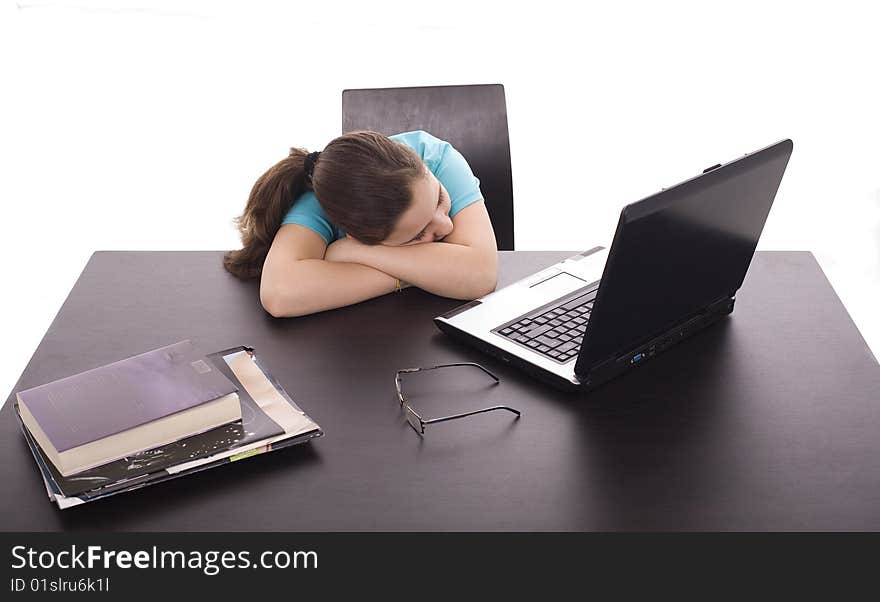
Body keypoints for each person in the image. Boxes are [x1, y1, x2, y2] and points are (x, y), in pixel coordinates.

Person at [223, 130, 498, 317]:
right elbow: (279, 294)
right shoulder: (318, 204)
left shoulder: (434, 157)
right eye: (420, 232)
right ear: (357, 234)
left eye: (439, 196)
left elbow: (480, 274)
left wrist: (359, 254)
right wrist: (433, 272)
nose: (446, 225)